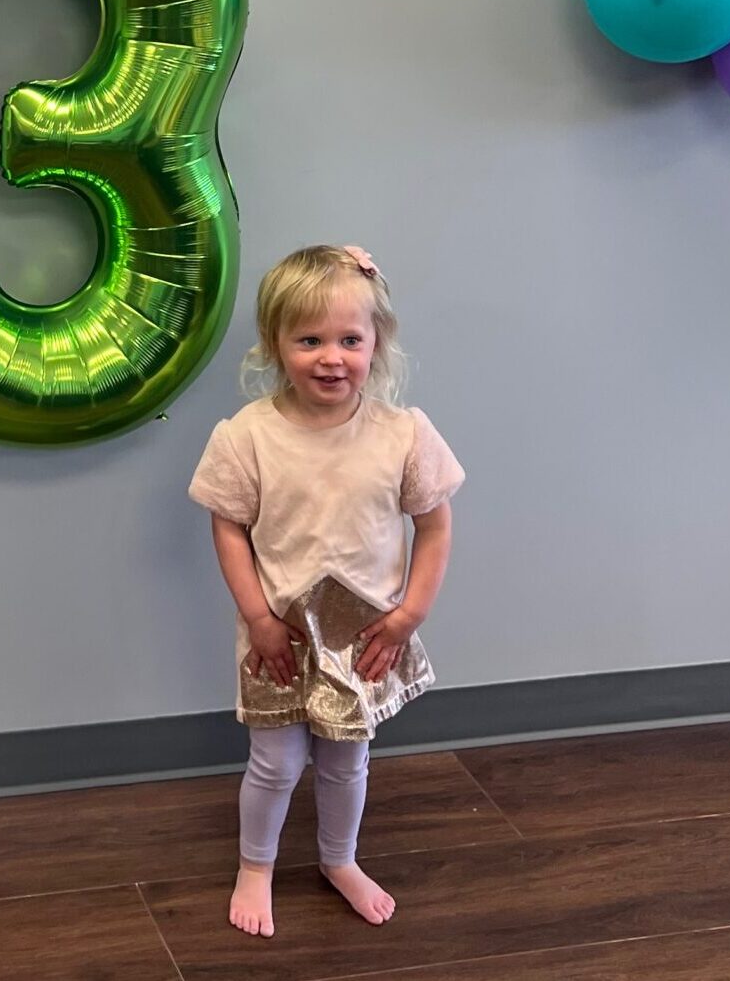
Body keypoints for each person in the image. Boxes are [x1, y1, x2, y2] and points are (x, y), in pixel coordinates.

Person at [188, 244, 463, 938]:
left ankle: (340, 859)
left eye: (349, 339)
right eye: (309, 340)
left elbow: (433, 527)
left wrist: (408, 616)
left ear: (378, 343)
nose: (330, 357)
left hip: (363, 636)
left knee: (346, 760)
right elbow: (230, 529)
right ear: (276, 345)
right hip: (277, 632)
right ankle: (256, 865)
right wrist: (257, 617)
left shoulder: (403, 436)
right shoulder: (247, 437)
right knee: (275, 762)